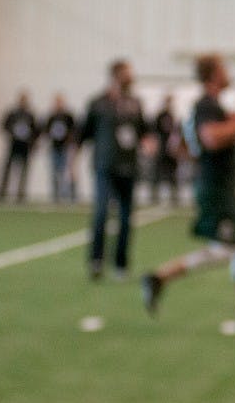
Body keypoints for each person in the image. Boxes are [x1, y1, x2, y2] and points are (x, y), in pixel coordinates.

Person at [141, 54, 235, 334]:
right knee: (229, 249)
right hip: (215, 190)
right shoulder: (206, 104)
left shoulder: (213, 106)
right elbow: (211, 138)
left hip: (220, 188)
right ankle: (159, 277)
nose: (228, 73)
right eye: (224, 68)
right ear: (214, 75)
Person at [78, 59, 150, 281]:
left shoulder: (135, 103)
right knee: (101, 213)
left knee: (126, 218)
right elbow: (83, 134)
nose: (132, 77)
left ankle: (121, 263)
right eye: (128, 73)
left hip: (129, 167)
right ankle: (96, 260)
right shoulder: (98, 103)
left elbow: (144, 132)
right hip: (105, 166)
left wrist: (149, 144)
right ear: (117, 75)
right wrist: (72, 164)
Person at [0, 90, 39, 203]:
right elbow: (4, 125)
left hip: (25, 147)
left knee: (24, 171)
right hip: (13, 145)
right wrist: (12, 132)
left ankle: (20, 194)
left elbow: (36, 130)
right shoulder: (12, 113)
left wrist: (32, 141)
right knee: (7, 169)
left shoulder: (30, 115)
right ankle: (2, 193)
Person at [44, 93, 77, 203]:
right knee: (54, 172)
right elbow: (46, 130)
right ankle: (55, 196)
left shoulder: (68, 116)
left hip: (65, 147)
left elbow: (74, 130)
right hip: (55, 147)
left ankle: (69, 196)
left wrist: (72, 143)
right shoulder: (51, 116)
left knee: (67, 172)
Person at [150, 94, 181, 207]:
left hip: (171, 150)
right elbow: (154, 132)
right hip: (161, 149)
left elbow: (176, 133)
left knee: (173, 175)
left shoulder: (173, 116)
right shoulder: (160, 116)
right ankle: (154, 197)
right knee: (157, 174)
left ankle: (175, 198)